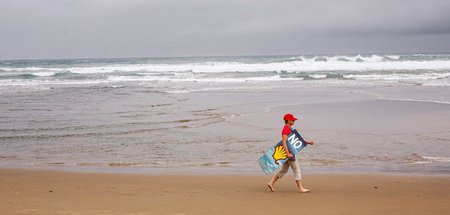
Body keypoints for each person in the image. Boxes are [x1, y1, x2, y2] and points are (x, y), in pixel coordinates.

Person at [267, 113, 314, 193]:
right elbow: (284, 142)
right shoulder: (286, 129)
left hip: (288, 153)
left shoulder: (290, 128)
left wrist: (308, 142)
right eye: (292, 120)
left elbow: (297, 140)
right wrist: (288, 153)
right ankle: (300, 188)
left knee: (283, 170)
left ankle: (271, 183)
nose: (294, 121)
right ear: (288, 120)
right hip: (289, 153)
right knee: (297, 170)